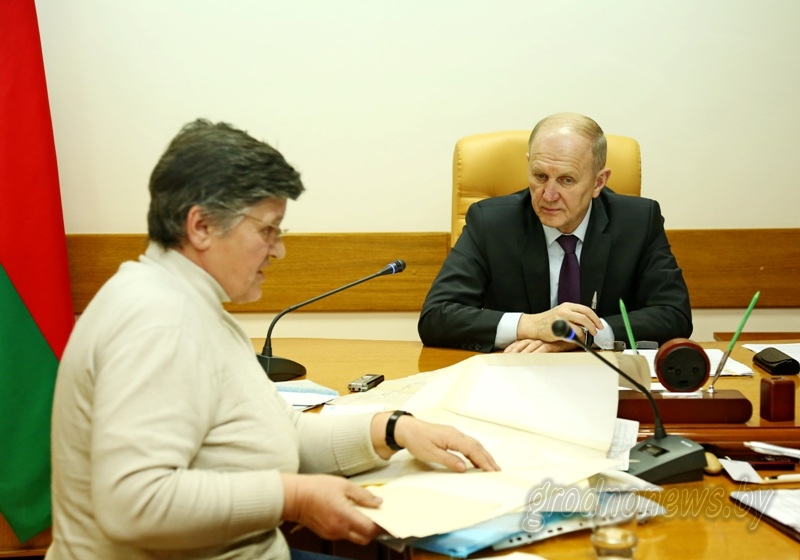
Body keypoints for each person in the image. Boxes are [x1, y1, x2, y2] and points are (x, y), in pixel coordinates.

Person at [47, 119, 499, 560]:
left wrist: (393, 428)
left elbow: (278, 432)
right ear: (201, 226)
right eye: (267, 229)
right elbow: (134, 503)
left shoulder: (184, 302)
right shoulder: (159, 324)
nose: (279, 249)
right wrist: (293, 497)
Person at [418, 113, 692, 353]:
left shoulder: (638, 221)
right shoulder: (491, 222)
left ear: (598, 182)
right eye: (540, 176)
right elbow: (436, 316)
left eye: (566, 180)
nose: (548, 195)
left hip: (603, 377)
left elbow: (674, 315)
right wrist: (530, 325)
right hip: (517, 372)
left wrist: (581, 334)